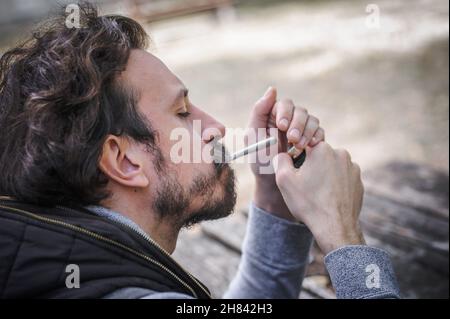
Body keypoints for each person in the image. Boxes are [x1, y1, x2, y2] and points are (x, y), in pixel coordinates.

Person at [0, 3, 400, 299]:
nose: (216, 128)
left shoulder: (60, 255)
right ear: (124, 161)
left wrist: (275, 202)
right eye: (183, 112)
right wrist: (342, 236)